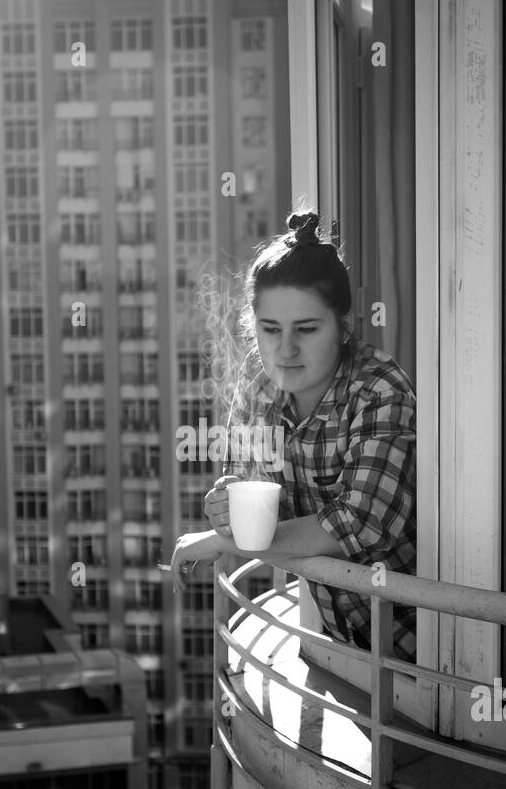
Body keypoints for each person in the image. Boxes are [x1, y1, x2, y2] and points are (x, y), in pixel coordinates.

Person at [168, 209, 418, 664]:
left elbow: (360, 522)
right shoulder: (259, 380)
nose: (285, 351)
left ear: (344, 326)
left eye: (306, 329)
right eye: (269, 330)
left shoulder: (379, 389)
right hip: (337, 647)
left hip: (422, 656)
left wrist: (224, 541)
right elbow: (246, 486)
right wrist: (225, 509)